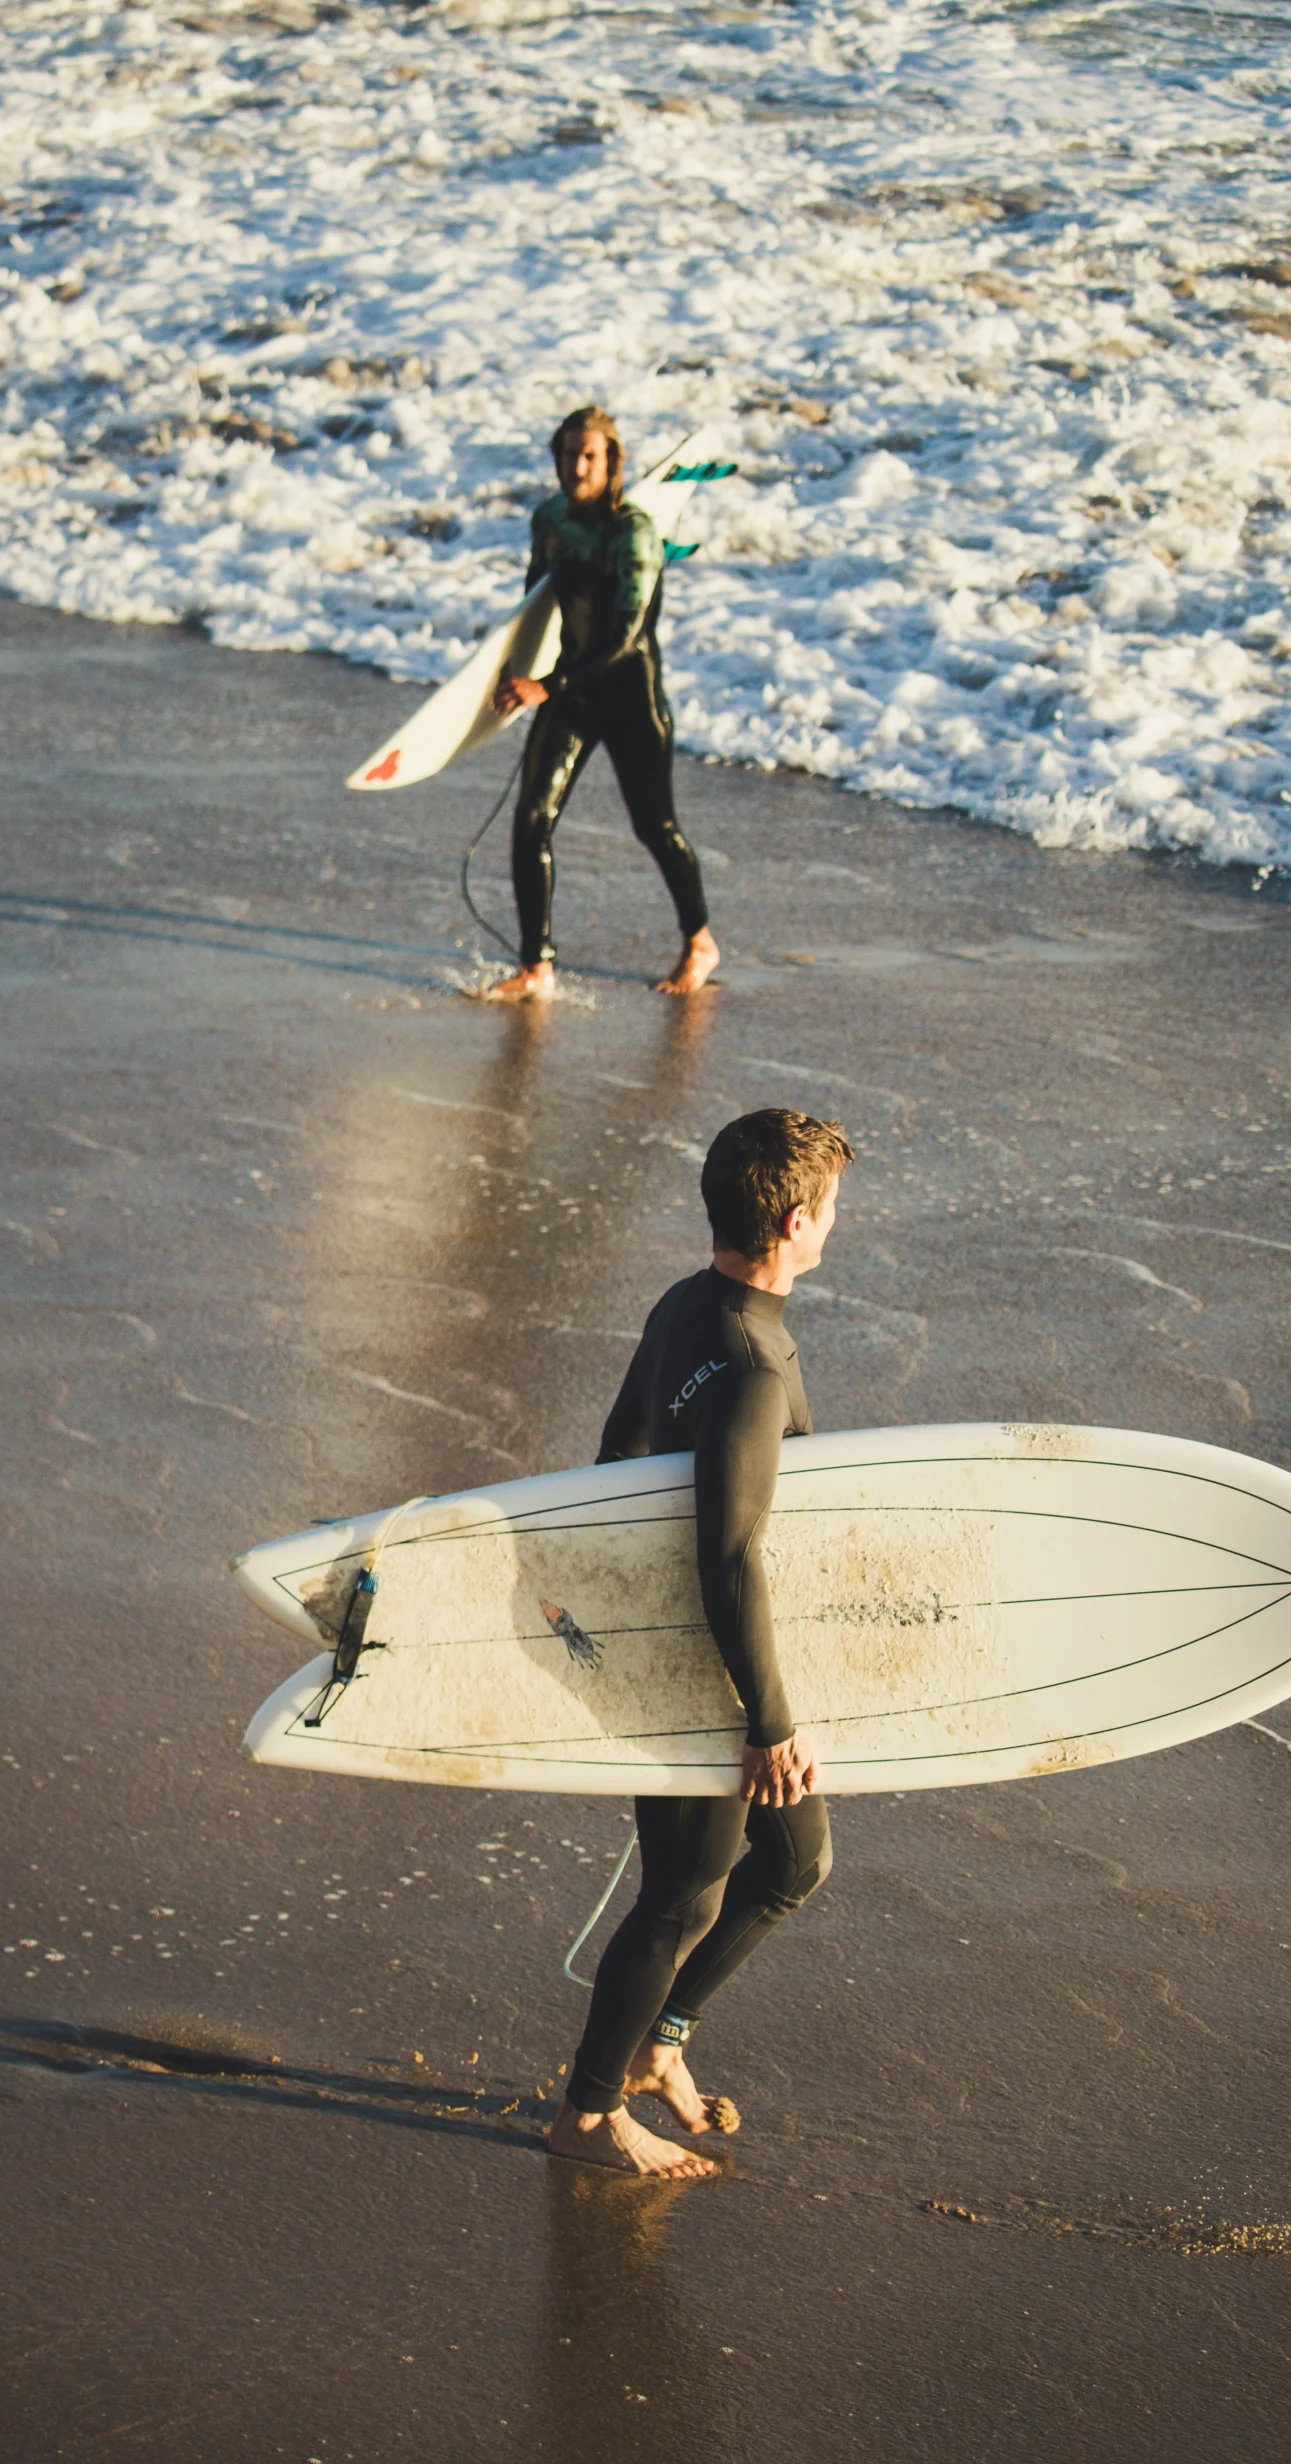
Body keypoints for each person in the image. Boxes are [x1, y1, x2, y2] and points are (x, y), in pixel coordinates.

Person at [548, 1108, 855, 2178]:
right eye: (831, 1210)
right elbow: (729, 1555)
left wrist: (615, 1602)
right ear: (797, 1219)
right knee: (686, 1891)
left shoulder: (687, 1306)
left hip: (699, 1642)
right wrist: (768, 1720)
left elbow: (619, 1449)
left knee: (795, 1860)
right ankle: (588, 2112)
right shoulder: (754, 1369)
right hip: (714, 1667)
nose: (835, 1226)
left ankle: (656, 2042)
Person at [484, 406, 720, 1004]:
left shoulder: (634, 533)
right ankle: (536, 965)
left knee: (655, 826)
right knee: (531, 821)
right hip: (569, 690)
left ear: (612, 461)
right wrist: (512, 672)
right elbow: (533, 606)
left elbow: (627, 636)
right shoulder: (551, 522)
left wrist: (546, 685)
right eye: (569, 454)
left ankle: (700, 942)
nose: (577, 466)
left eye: (590, 455)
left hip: (630, 697)